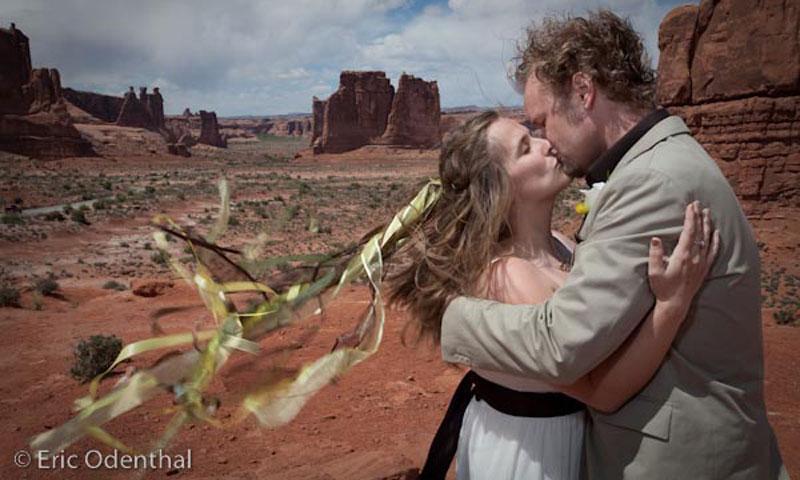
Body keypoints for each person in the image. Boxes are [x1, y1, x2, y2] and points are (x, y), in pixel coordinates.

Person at [437, 10, 787, 480]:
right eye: (529, 138)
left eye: (542, 123)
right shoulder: (652, 167)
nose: (547, 142)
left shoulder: (648, 183)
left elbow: (561, 345)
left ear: (584, 93)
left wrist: (454, 317)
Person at [388, 110, 717, 479]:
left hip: (565, 439)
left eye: (535, 135)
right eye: (525, 148)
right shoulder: (508, 277)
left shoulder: (562, 245)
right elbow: (602, 392)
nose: (547, 145)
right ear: (499, 185)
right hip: (531, 453)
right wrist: (672, 305)